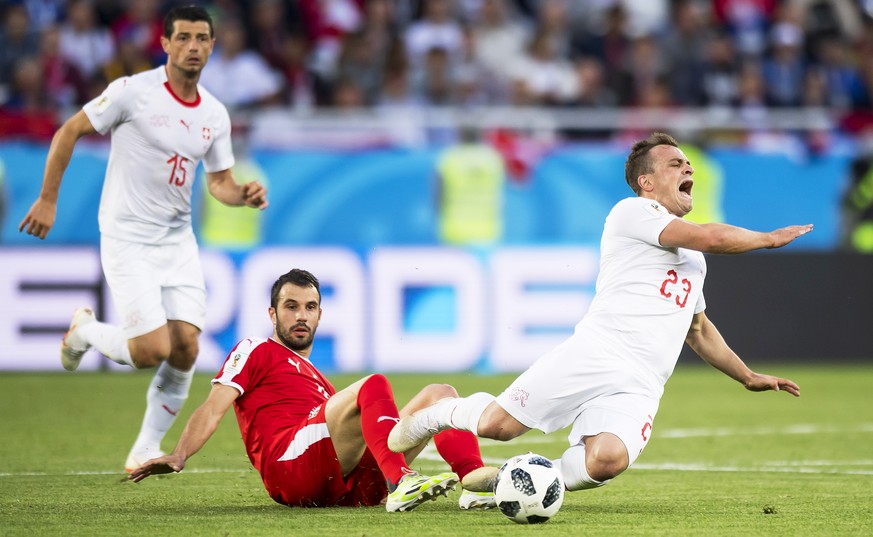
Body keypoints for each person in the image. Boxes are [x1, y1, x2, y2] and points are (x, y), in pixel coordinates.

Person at [389, 132, 812, 493]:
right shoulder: (633, 212)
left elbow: (697, 328)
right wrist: (768, 239)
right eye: (674, 164)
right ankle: (433, 415)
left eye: (688, 163)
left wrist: (747, 376)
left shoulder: (693, 259)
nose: (689, 169)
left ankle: (513, 482)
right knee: (498, 426)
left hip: (643, 382)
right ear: (646, 181)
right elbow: (711, 237)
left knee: (606, 460)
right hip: (598, 353)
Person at [17, 5, 269, 473]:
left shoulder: (214, 113)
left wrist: (242, 195)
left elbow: (218, 182)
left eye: (202, 38)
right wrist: (48, 199)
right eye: (184, 37)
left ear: (213, 46)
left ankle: (144, 448)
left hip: (177, 242)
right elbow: (69, 130)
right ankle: (85, 331)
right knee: (151, 350)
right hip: (127, 235)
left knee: (188, 346)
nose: (193, 46)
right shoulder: (133, 92)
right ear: (166, 43)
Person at [129, 268, 499, 512]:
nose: (301, 315)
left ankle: (475, 483)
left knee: (440, 392)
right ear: (272, 314)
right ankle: (401, 480)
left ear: (320, 314)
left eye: (310, 307)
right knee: (372, 384)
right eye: (290, 307)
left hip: (346, 485)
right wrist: (179, 454)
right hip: (289, 469)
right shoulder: (256, 349)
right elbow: (213, 407)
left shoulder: (319, 381)